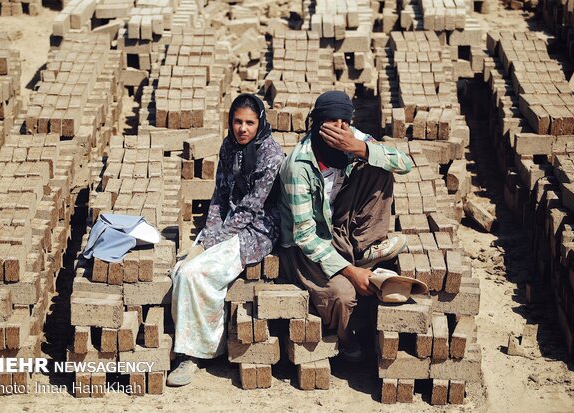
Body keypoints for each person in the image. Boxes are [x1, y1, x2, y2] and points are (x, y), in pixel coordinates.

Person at [278, 90, 413, 361]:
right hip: (306, 246)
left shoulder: (352, 137)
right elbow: (305, 237)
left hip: (337, 224)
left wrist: (360, 149)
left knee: (378, 165)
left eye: (345, 122)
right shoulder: (299, 167)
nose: (340, 128)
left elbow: (405, 164)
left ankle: (365, 248)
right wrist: (351, 273)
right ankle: (344, 338)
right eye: (332, 122)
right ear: (317, 123)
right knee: (343, 295)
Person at [167, 94, 284, 386]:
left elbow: (251, 208)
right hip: (228, 224)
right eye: (237, 121)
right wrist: (209, 232)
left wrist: (212, 243)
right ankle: (193, 342)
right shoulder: (228, 146)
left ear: (261, 123)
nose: (242, 128)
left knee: (196, 273)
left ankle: (195, 354)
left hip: (256, 230)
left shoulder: (271, 156)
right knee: (180, 271)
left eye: (249, 123)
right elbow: (219, 197)